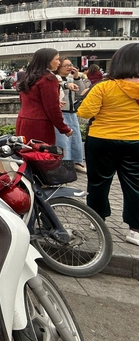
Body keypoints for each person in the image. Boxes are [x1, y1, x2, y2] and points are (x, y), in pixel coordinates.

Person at [77, 43, 139, 246]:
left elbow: (84, 113)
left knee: (98, 182)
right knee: (135, 185)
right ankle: (135, 230)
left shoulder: (103, 87)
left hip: (101, 140)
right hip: (135, 141)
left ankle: (97, 219)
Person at [16, 48, 73, 144]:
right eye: (57, 59)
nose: (59, 62)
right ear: (47, 60)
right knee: (41, 156)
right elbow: (52, 108)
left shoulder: (28, 77)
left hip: (23, 121)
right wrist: (64, 128)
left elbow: (25, 100)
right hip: (39, 124)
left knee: (25, 154)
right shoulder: (48, 79)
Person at [53, 58, 87, 173]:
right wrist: (67, 84)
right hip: (62, 112)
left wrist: (77, 77)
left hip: (72, 112)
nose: (69, 67)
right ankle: (65, 163)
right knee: (63, 140)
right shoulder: (55, 79)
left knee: (76, 138)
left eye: (70, 65)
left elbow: (81, 91)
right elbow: (61, 85)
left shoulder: (71, 78)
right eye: (66, 65)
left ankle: (77, 161)